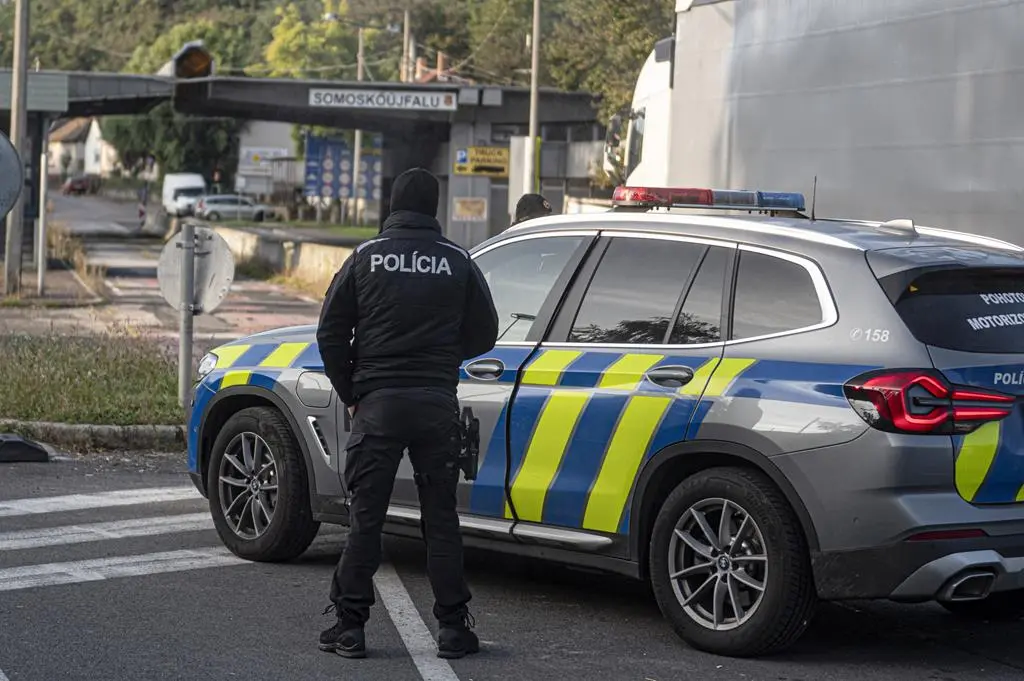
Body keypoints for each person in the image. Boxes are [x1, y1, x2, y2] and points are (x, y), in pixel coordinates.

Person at [316, 167, 499, 660]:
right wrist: (443, 360)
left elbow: (330, 332)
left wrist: (352, 390)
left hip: (377, 405)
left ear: (392, 205)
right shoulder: (458, 261)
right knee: (440, 520)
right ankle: (454, 630)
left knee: (366, 521)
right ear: (435, 208)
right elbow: (487, 333)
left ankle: (350, 628)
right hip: (436, 405)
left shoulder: (365, 257)